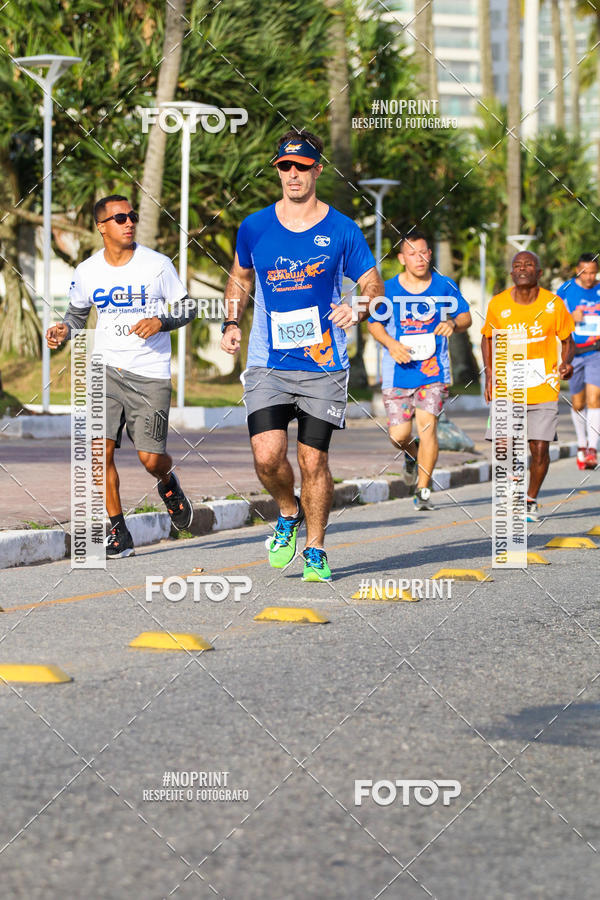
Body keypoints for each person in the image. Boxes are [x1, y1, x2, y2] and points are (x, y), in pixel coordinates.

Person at [220, 130, 383, 581]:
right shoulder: (254, 226)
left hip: (323, 363)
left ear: (317, 169)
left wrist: (360, 304)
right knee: (266, 456)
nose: (292, 174)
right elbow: (240, 277)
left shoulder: (342, 229)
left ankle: (315, 546)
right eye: (285, 166)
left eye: (301, 165)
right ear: (278, 170)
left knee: (313, 460)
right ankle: (288, 512)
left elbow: (372, 283)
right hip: (268, 360)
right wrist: (231, 321)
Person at [46, 195, 195, 558]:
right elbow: (77, 315)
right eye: (119, 218)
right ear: (101, 227)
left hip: (150, 373)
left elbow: (189, 307)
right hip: (105, 371)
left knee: (150, 458)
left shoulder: (157, 265)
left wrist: (162, 321)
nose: (129, 222)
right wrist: (64, 331)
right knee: (98, 453)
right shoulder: (87, 271)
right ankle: (119, 531)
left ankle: (167, 482)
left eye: (132, 216)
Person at [367, 231, 472, 511]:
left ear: (430, 254)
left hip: (433, 372)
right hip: (397, 372)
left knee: (428, 430)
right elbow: (374, 324)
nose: (420, 258)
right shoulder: (387, 289)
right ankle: (411, 456)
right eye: (413, 253)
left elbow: (465, 316)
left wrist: (453, 325)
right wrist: (391, 344)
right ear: (402, 258)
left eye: (424, 252)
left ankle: (423, 490)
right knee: (399, 436)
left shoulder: (444, 285)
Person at [481, 251, 575, 522]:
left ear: (539, 272)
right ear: (512, 273)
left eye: (529, 264)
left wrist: (566, 363)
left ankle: (530, 499)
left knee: (540, 449)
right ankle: (513, 479)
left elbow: (568, 340)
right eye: (517, 265)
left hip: (543, 385)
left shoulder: (553, 304)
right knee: (503, 443)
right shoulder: (498, 305)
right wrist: (489, 374)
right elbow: (487, 338)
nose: (522, 269)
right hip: (507, 384)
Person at [556, 253, 600, 470]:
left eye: (593, 272)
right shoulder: (565, 290)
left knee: (595, 398)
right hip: (573, 353)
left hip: (596, 351)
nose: (590, 277)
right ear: (577, 271)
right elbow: (554, 319)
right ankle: (582, 444)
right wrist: (571, 317)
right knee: (578, 403)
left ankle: (592, 448)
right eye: (585, 272)